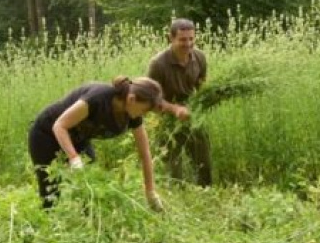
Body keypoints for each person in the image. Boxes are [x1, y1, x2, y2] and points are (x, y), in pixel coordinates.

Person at [28, 76, 190, 209]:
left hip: (79, 139)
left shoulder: (132, 114)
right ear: (132, 99)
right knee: (51, 193)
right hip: (46, 134)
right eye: (144, 110)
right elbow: (60, 125)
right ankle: (45, 232)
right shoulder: (98, 98)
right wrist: (74, 158)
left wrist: (150, 192)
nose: (145, 114)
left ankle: (85, 227)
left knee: (91, 187)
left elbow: (145, 153)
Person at [146, 18, 212, 186]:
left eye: (191, 38)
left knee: (203, 161)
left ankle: (206, 193)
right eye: (183, 39)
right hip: (166, 118)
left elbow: (202, 85)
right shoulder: (158, 64)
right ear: (171, 38)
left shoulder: (199, 57)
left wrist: (206, 99)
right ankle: (175, 196)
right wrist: (175, 109)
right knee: (172, 167)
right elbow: (151, 99)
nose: (188, 43)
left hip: (192, 114)